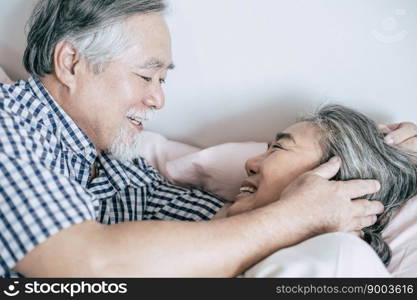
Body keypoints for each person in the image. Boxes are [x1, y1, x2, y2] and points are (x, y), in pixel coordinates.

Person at [0, 0, 414, 278]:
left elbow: (220, 224)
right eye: (146, 75)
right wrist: (293, 218)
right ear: (72, 62)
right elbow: (83, 262)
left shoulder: (126, 171)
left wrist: (393, 160)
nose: (158, 98)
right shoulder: (9, 120)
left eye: (163, 79)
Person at [223, 104, 417, 267]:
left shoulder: (338, 262)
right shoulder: (197, 200)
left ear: (338, 183)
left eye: (277, 148)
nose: (250, 163)